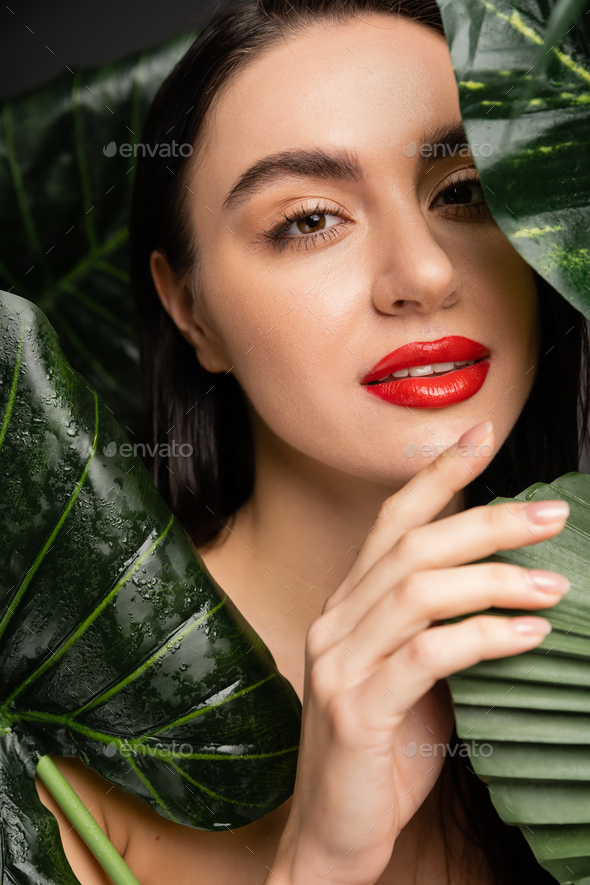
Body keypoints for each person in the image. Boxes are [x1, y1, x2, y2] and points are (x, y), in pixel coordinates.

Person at [35, 0, 590, 882]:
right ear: (191, 311)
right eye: (310, 219)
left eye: (465, 192)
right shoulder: (55, 763)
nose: (425, 272)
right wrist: (321, 858)